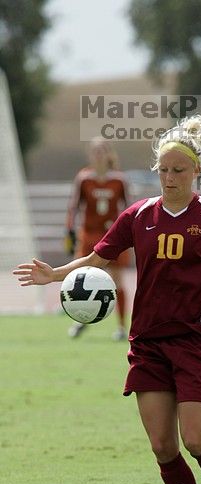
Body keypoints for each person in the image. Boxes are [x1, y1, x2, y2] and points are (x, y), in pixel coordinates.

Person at [14, 116, 201, 484]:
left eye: (178, 171)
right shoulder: (140, 215)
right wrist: (57, 275)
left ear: (195, 172)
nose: (169, 178)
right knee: (164, 447)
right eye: (163, 170)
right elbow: (99, 255)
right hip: (148, 342)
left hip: (198, 340)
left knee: (195, 441)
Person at [65, 137, 130, 340]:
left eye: (102, 150)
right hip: (89, 235)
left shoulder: (119, 179)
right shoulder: (84, 178)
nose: (99, 154)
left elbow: (129, 209)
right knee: (82, 279)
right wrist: (69, 230)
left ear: (109, 154)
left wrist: (129, 234)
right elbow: (74, 206)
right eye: (95, 151)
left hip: (112, 236)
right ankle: (81, 319)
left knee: (117, 280)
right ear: (90, 154)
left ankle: (121, 327)